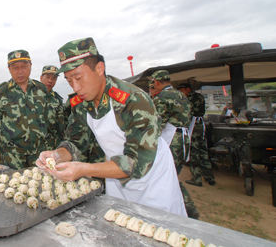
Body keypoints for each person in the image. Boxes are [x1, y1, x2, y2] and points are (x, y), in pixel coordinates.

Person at [37, 37, 186, 216]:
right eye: (69, 81)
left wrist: (84, 169)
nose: (76, 87)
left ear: (99, 68)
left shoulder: (132, 101)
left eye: (78, 77)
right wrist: (56, 155)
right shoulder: (82, 103)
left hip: (152, 178)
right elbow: (76, 142)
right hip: (115, 173)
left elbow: (136, 162)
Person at [0, 50, 49, 170]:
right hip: (12, 153)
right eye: (15, 67)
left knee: (38, 184)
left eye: (24, 67)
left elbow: (45, 116)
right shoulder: (2, 91)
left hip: (38, 151)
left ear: (30, 66)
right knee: (14, 183)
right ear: (9, 69)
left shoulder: (41, 89)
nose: (20, 71)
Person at [151, 70, 199, 219]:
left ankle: (188, 207)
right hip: (184, 138)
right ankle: (186, 206)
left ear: (157, 83)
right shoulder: (181, 95)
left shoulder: (162, 97)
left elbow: (158, 123)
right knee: (172, 173)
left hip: (171, 139)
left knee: (167, 174)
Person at [178, 83, 216, 187]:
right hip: (200, 124)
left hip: (193, 125)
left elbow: (187, 113)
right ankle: (210, 178)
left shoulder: (187, 99)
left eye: (182, 90)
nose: (181, 92)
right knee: (203, 151)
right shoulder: (200, 96)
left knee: (194, 152)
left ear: (188, 89)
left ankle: (197, 179)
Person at [40, 65, 66, 150]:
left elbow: (60, 127)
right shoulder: (31, 96)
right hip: (30, 148)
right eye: (47, 77)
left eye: (54, 78)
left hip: (49, 147)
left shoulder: (57, 100)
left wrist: (59, 148)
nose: (50, 81)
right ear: (41, 78)